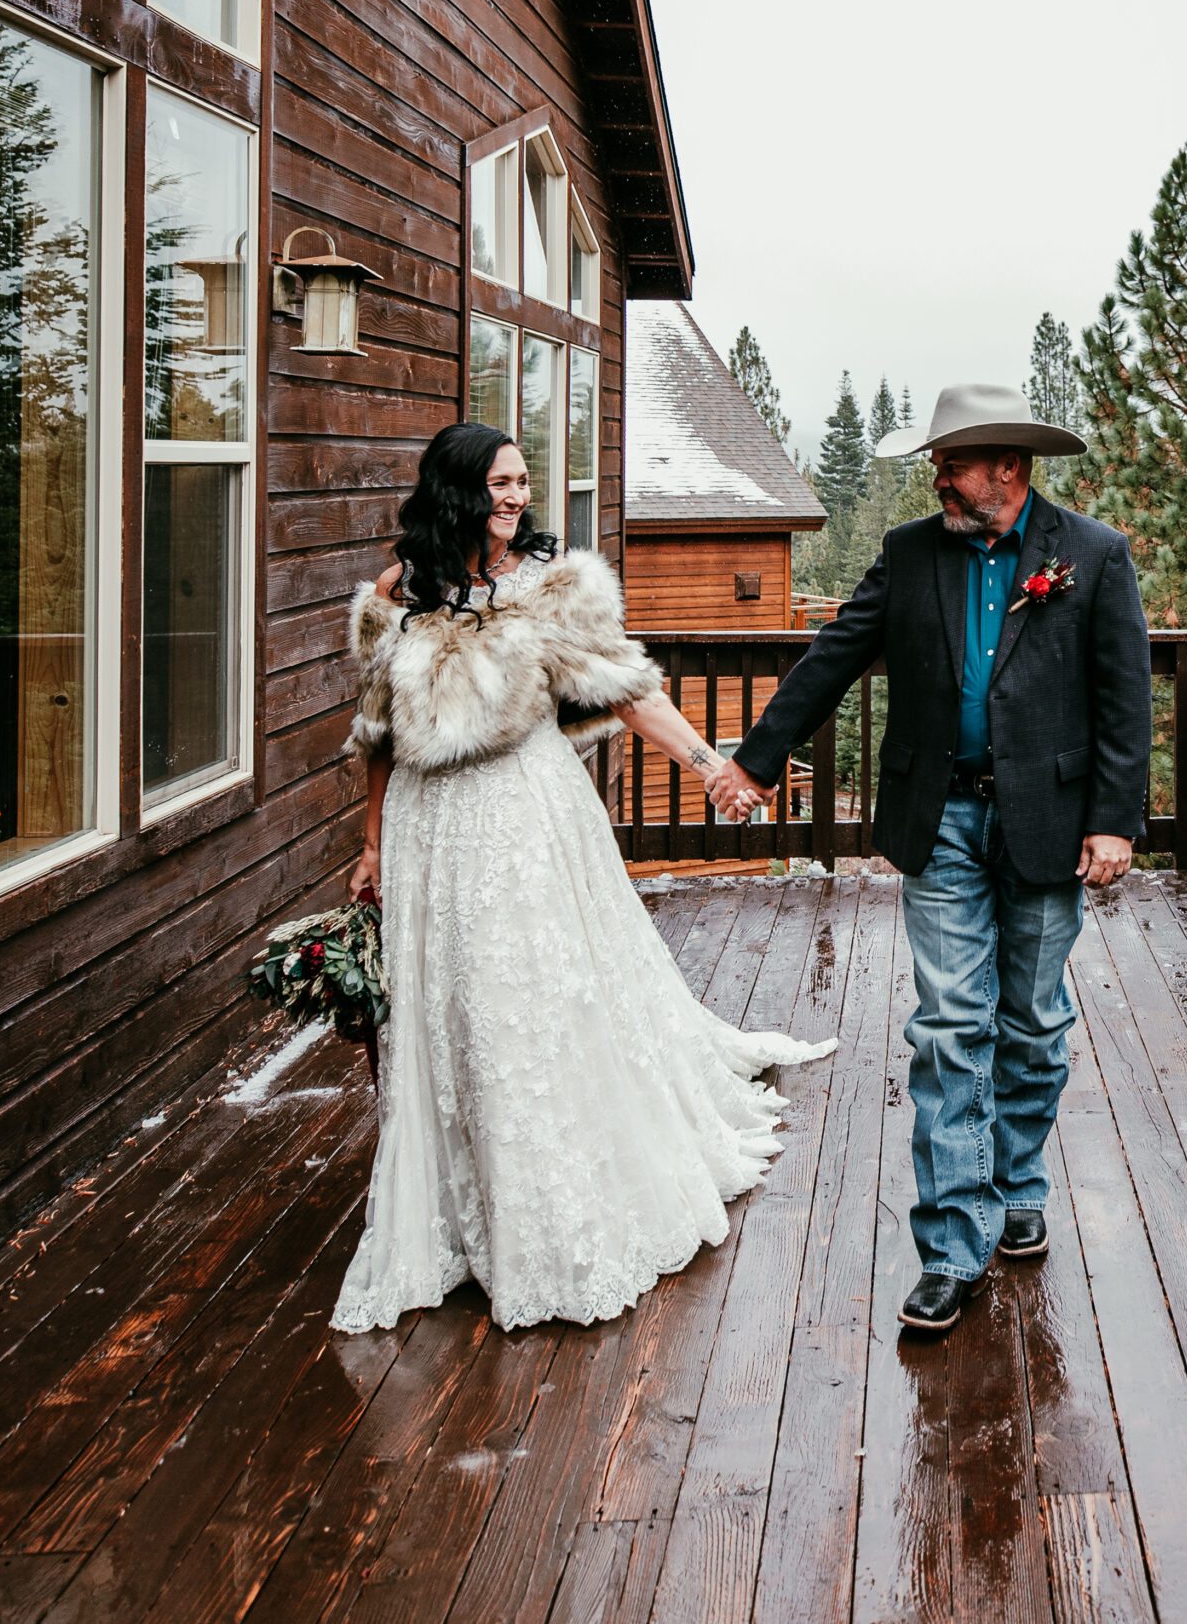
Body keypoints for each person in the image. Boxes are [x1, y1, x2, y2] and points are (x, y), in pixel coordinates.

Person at [332, 421, 833, 1334]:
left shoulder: (553, 587)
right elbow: (376, 734)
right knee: (451, 1005)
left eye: (523, 481)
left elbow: (629, 691)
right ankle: (457, 1200)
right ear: (455, 492)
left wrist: (706, 764)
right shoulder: (394, 594)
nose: (518, 497)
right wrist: (371, 844)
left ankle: (552, 1194)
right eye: (500, 483)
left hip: (526, 813)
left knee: (528, 996)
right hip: (428, 827)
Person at [709, 382, 1152, 1334]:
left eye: (951, 462)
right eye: (939, 463)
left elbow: (1124, 702)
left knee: (1031, 1020)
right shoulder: (910, 555)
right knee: (950, 1025)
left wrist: (1113, 821)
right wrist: (756, 756)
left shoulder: (1092, 555)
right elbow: (833, 653)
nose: (939, 478)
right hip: (939, 816)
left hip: (1048, 820)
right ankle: (953, 1243)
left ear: (1007, 468)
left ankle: (1018, 1182)